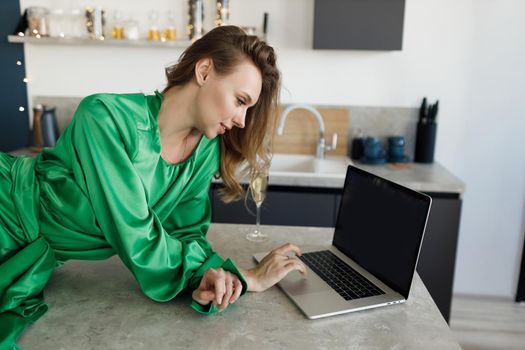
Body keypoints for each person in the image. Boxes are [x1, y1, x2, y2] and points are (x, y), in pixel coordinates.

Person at [0, 25, 307, 349]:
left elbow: (186, 234)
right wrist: (248, 277)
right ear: (204, 71)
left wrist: (211, 275)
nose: (243, 121)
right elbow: (135, 232)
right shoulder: (104, 118)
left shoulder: (205, 151)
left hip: (34, 256)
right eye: (240, 100)